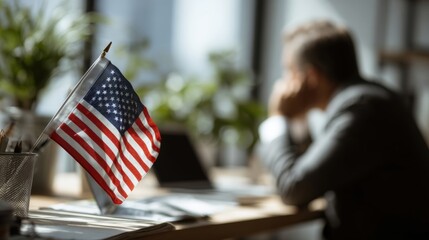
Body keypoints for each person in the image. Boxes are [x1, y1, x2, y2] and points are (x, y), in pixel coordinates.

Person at [257, 20, 429, 240]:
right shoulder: (369, 98)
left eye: (288, 71)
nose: (282, 83)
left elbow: (294, 188)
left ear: (311, 78)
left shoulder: (362, 108)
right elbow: (312, 176)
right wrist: (297, 119)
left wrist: (278, 118)